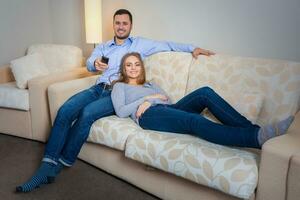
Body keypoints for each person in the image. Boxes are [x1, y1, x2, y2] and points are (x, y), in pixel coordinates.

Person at [16, 9, 214, 192]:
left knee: (86, 115)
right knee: (65, 110)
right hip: (97, 88)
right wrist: (95, 63)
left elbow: (167, 44)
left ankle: (59, 164)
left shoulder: (139, 44)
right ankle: (47, 165)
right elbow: (89, 63)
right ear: (114, 25)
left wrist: (192, 48)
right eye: (117, 23)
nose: (121, 26)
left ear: (130, 26)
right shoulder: (103, 46)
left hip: (117, 92)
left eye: (124, 23)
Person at [111, 52, 294, 148]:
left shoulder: (151, 84)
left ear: (141, 68)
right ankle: (255, 138)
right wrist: (147, 100)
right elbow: (121, 111)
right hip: (148, 116)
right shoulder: (120, 86)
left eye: (137, 64)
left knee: (204, 93)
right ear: (124, 69)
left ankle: (255, 130)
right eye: (129, 65)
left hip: (164, 108)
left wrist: (151, 98)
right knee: (194, 120)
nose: (134, 68)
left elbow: (167, 99)